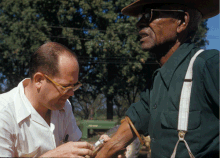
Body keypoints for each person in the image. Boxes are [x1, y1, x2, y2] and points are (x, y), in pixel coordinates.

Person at [95, 0, 219, 158]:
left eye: (149, 15)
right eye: (140, 16)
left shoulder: (209, 65)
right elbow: (127, 131)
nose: (139, 23)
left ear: (181, 22)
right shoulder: (157, 84)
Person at [0, 42, 95, 157]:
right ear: (39, 80)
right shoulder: (4, 113)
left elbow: (76, 149)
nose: (71, 93)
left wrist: (99, 148)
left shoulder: (64, 106)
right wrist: (53, 155)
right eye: (65, 87)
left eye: (74, 86)